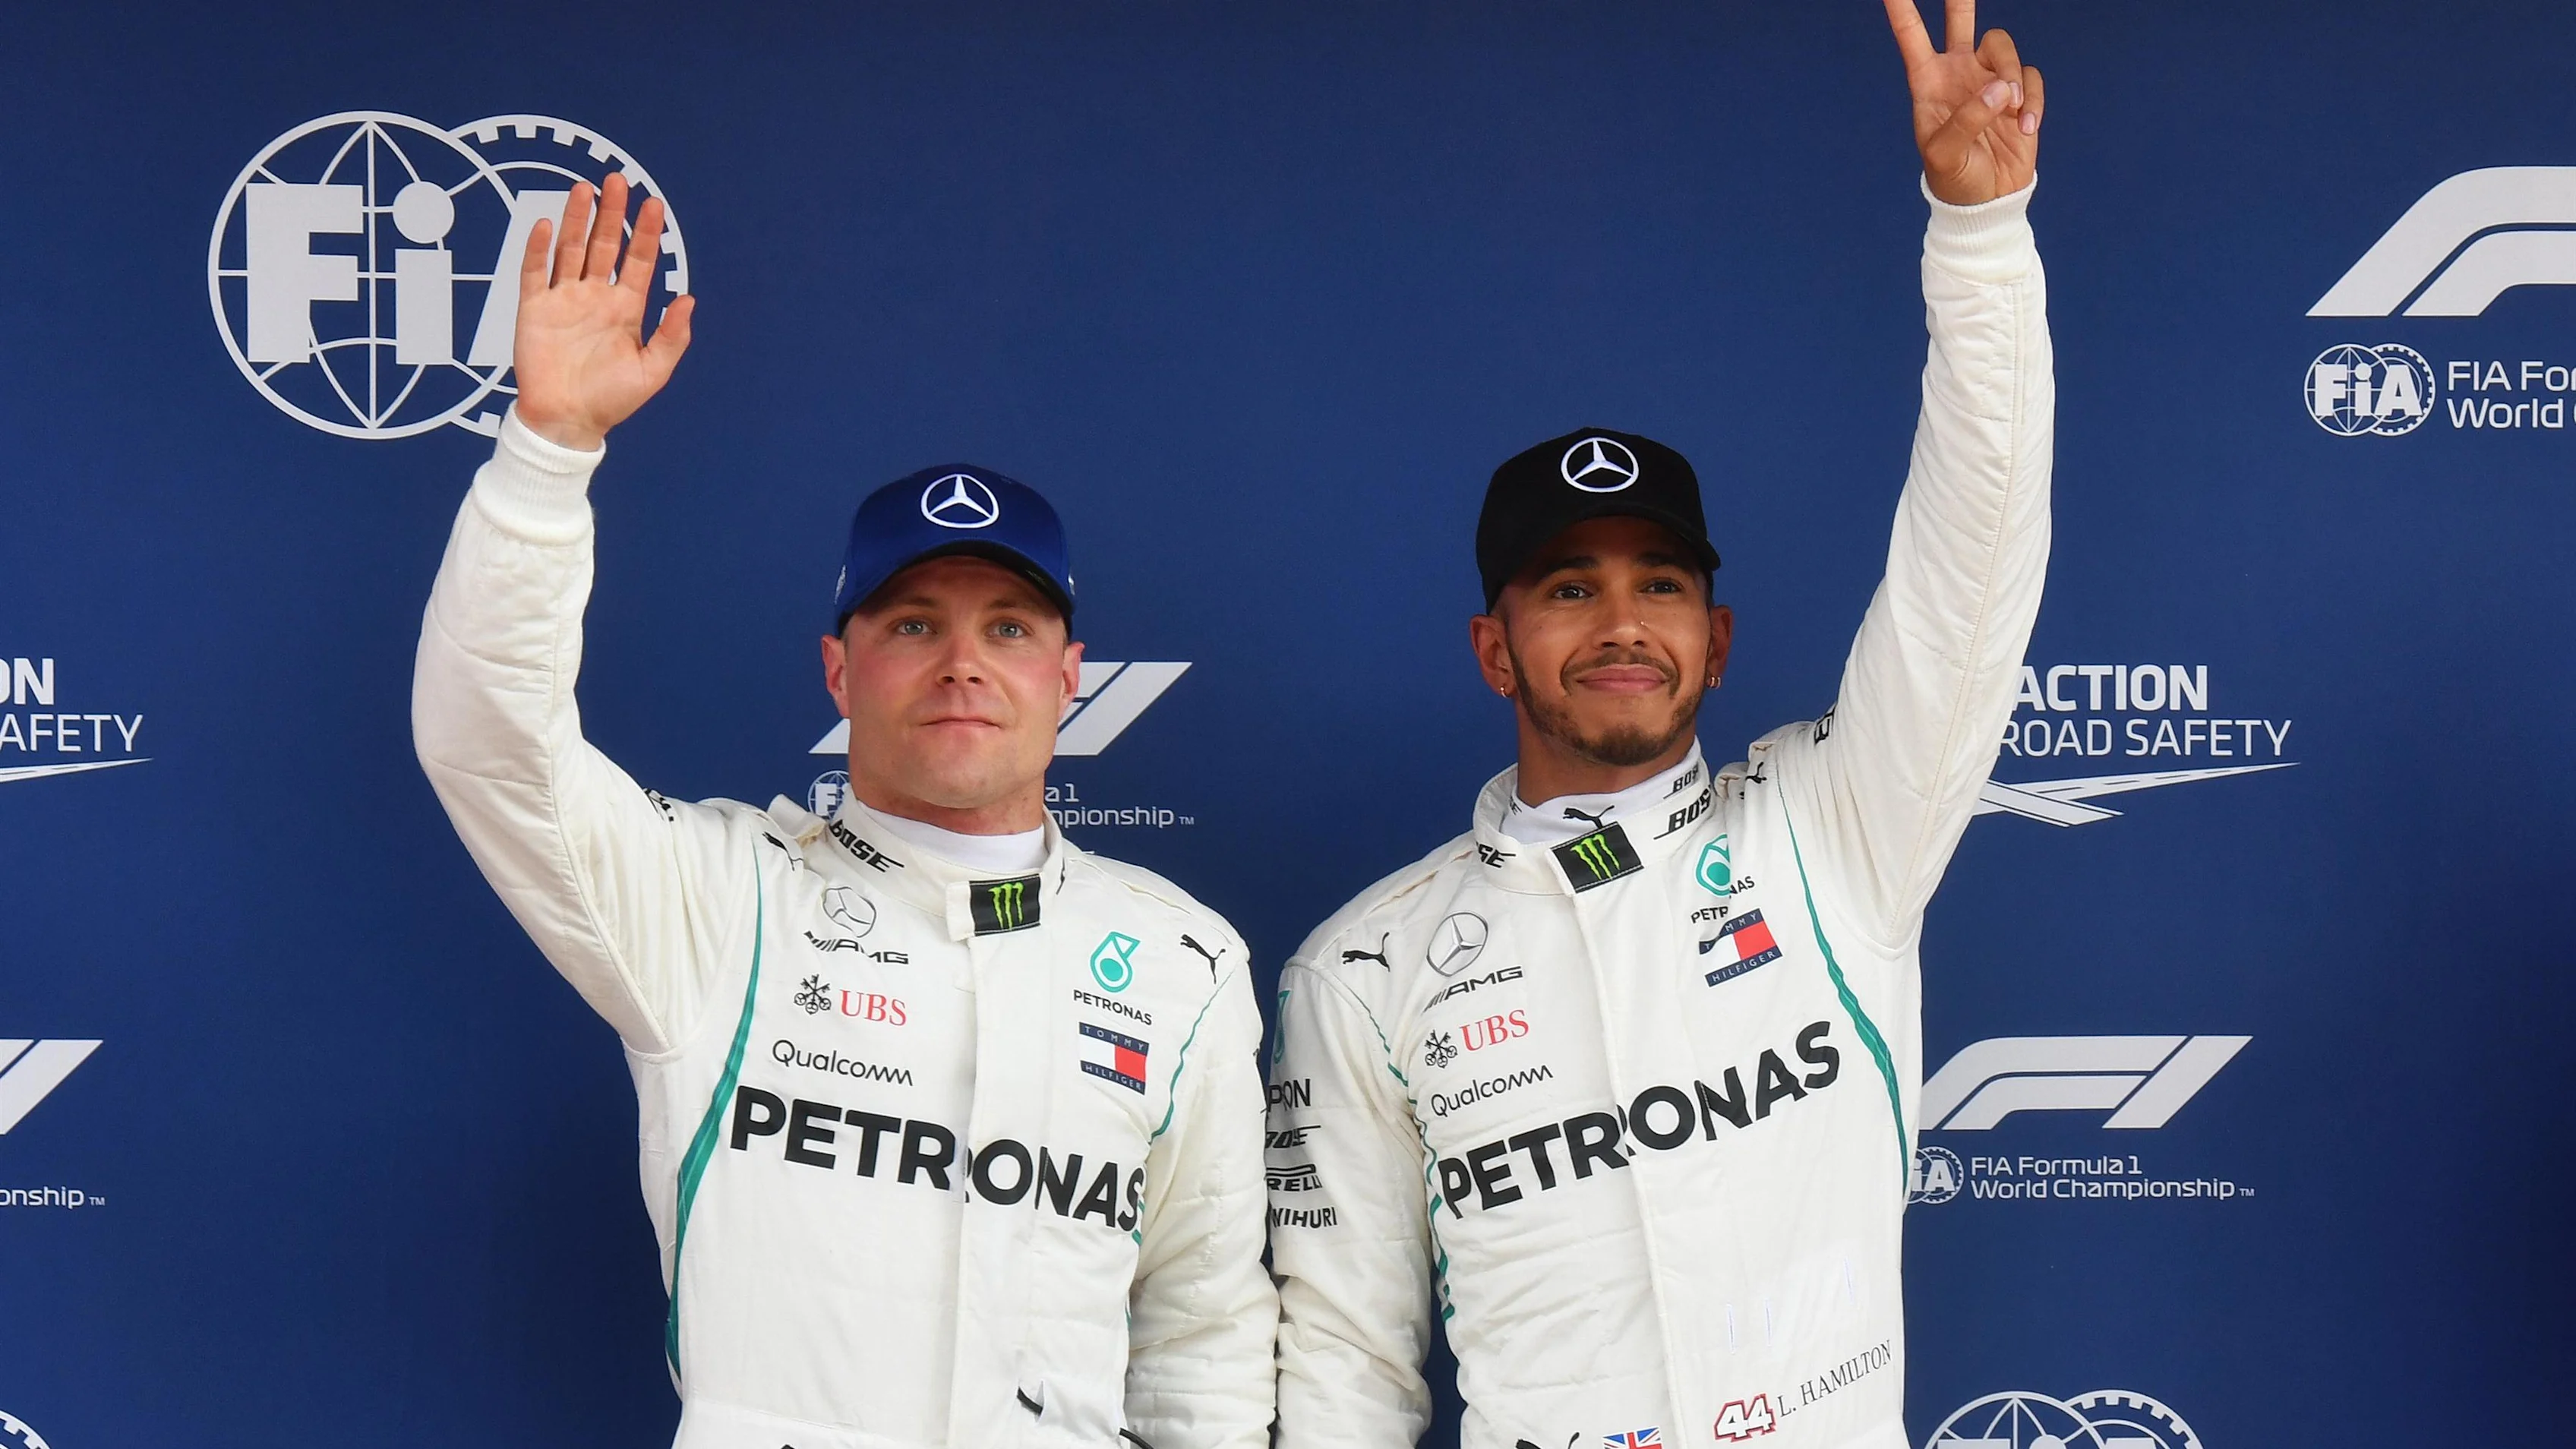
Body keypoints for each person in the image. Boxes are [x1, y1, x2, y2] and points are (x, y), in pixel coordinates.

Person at [1263, 5, 2051, 1447]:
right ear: (1496, 649)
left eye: (1661, 586)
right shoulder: (1363, 974)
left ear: (1718, 638)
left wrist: (1981, 242)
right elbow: (1343, 1369)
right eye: (1571, 588)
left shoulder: (1836, 830)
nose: (1622, 624)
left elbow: (1971, 573)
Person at [412, 175, 1276, 1449]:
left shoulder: (1185, 960)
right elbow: (490, 744)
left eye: (1010, 628)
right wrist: (549, 451)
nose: (962, 663)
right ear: (840, 670)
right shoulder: (714, 898)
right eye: (914, 623)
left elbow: (1203, 1335)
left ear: (1066, 677)